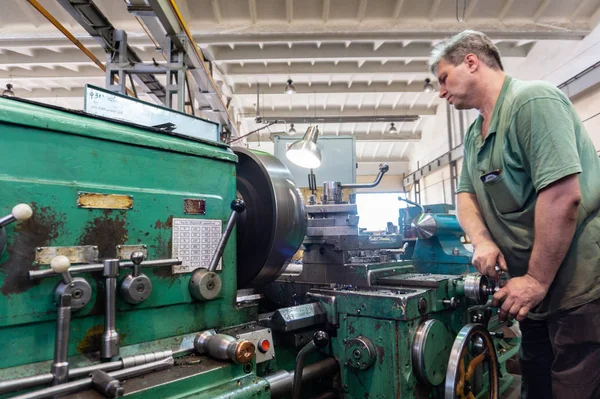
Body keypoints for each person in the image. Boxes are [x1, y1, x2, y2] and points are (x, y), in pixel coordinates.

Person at [428, 30, 600, 399]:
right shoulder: (475, 134)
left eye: (443, 78)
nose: (441, 92)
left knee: (575, 387)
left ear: (471, 61)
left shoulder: (532, 102)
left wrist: (536, 280)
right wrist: (483, 240)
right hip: (532, 296)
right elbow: (465, 196)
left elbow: (563, 197)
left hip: (576, 291)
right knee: (535, 384)